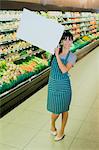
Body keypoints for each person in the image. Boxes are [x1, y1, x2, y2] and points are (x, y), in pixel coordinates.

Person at [47, 30, 77, 141]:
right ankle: (52, 124)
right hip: (53, 84)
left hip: (64, 86)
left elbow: (64, 70)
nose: (68, 42)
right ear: (61, 41)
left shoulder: (72, 56)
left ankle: (62, 131)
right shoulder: (54, 52)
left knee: (64, 110)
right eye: (65, 39)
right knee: (55, 111)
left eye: (70, 39)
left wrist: (57, 56)